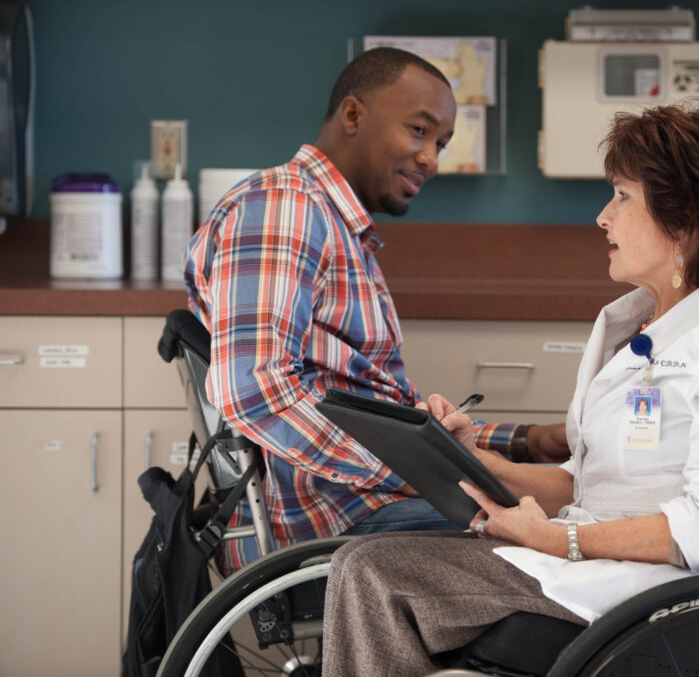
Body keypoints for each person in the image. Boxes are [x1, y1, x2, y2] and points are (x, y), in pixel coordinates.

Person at [320, 103, 699, 676]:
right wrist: (473, 462)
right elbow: (584, 481)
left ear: (685, 218)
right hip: (588, 563)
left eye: (623, 196)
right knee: (363, 562)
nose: (603, 217)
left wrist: (559, 542)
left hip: (661, 594)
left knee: (373, 574)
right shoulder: (631, 325)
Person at [183, 47, 567, 575]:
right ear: (354, 115)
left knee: (578, 517)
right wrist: (405, 471)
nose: (432, 158)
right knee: (581, 535)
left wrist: (523, 441)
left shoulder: (334, 225)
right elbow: (254, 387)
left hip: (359, 504)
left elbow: (386, 415)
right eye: (419, 131)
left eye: (441, 143)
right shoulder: (284, 207)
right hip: (338, 518)